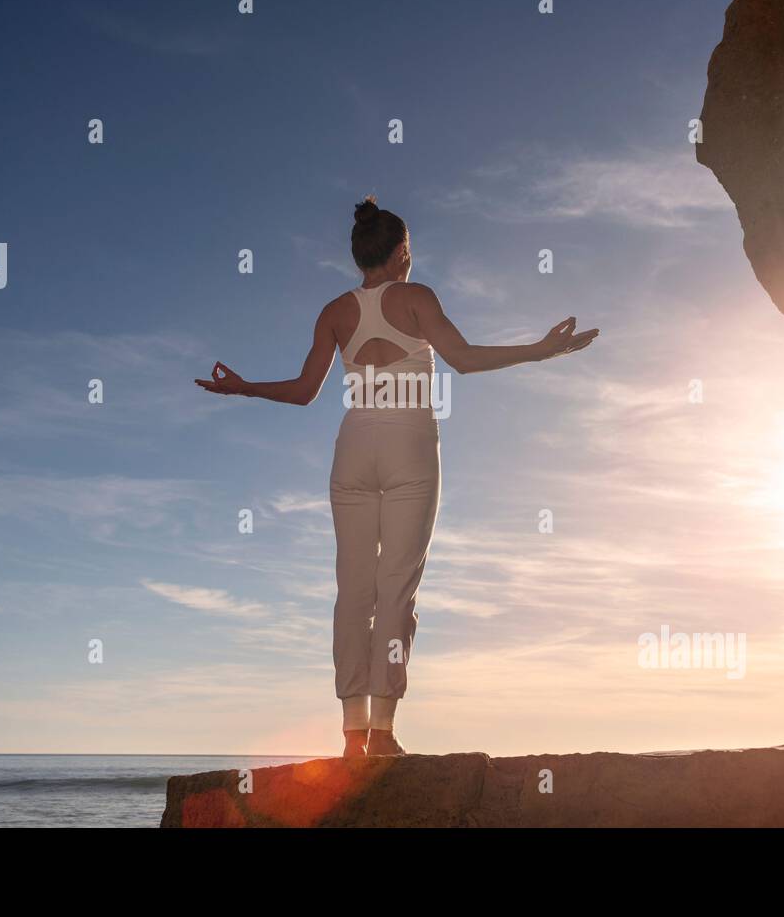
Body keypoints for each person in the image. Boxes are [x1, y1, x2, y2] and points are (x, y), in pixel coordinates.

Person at [195, 195, 598, 756]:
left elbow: (304, 392)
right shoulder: (415, 296)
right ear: (403, 250)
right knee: (396, 589)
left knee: (353, 590)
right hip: (409, 445)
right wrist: (541, 350)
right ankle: (382, 734)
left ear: (361, 254)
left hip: (354, 445)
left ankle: (351, 735)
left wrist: (244, 387)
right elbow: (463, 358)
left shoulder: (334, 310)